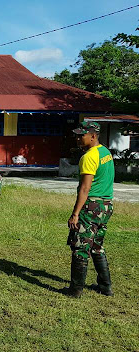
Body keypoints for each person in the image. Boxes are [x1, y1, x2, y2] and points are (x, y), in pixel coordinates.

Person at [65, 121, 114, 298]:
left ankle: (75, 290)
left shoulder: (89, 157)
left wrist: (75, 214)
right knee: (97, 246)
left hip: (91, 206)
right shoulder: (105, 152)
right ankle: (105, 287)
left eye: (81, 135)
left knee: (80, 247)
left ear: (93, 136)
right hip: (106, 205)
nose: (78, 138)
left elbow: (85, 189)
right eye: (77, 135)